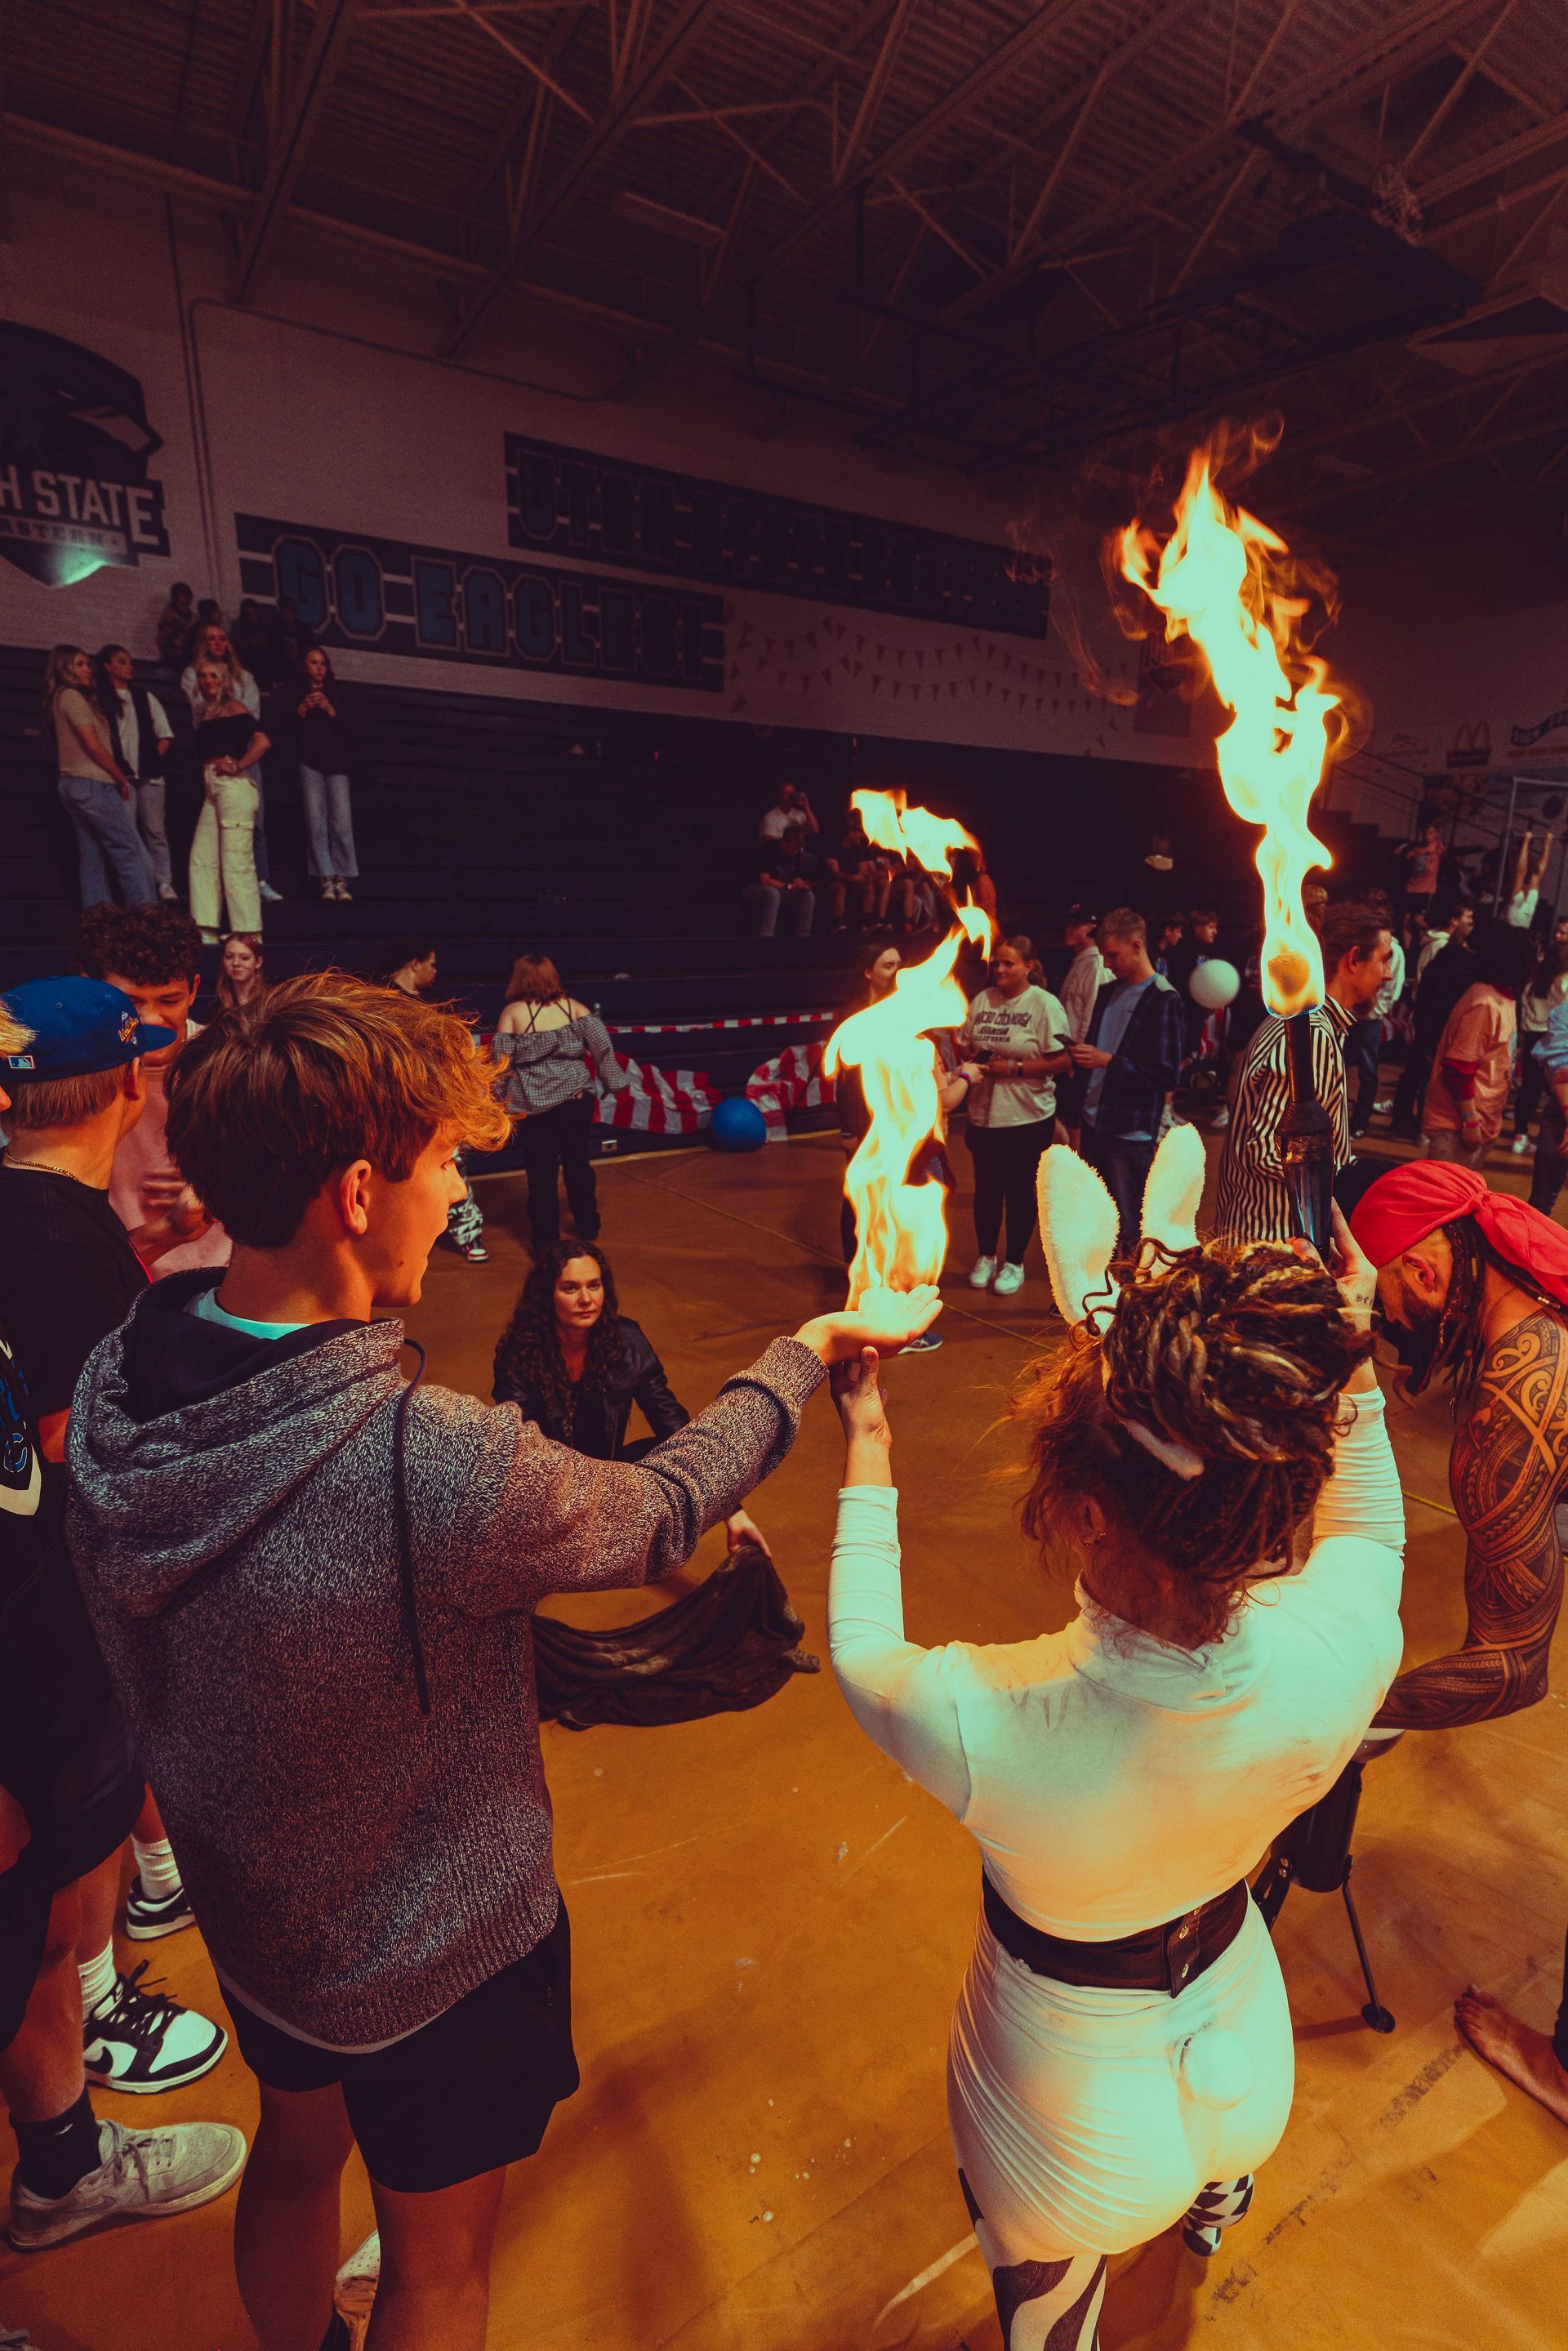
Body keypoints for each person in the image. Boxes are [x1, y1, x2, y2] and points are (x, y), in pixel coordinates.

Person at [63, 968, 938, 2351]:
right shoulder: (428, 1462)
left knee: (297, 2148)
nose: (453, 1199)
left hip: (259, 1915)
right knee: (438, 2266)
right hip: (434, 1956)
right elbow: (658, 1505)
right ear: (358, 1191)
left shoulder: (118, 1377)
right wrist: (802, 1353)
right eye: (439, 1171)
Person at [828, 1149, 1402, 2351]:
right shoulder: (1347, 1647)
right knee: (1215, 2166)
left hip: (1070, 2108)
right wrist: (1345, 1357)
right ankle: (1213, 2207)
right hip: (1251, 2032)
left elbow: (859, 1645)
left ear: (1088, 1514)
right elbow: (1367, 1523)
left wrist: (866, 1426)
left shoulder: (984, 1719)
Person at [0, 978, 244, 2242]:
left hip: (35, 1649)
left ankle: (61, 2163)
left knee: (45, 1933)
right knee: (53, 1905)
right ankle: (95, 2028)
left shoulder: (40, 1221)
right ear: (132, 1079)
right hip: (44, 1661)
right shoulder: (61, 1240)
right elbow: (79, 1456)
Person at [1349, 1161, 1568, 2130]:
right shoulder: (1541, 1302)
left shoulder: (1511, 1409)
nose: (1392, 1330)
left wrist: (1368, 1713)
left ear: (1431, 1274)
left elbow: (1515, 1666)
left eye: (1388, 1304)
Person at [494, 1242, 767, 1548]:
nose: (586, 1299)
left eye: (594, 1286)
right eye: (570, 1288)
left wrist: (734, 1514)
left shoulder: (626, 1342)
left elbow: (673, 1425)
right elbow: (522, 1450)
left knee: (669, 1452)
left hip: (607, 1477)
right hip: (547, 1489)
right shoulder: (519, 1355)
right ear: (547, 1295)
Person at [1214, 901, 1393, 1244]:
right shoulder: (1312, 1034)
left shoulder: (1313, 1026)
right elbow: (1267, 1149)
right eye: (1384, 960)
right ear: (1353, 959)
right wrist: (1354, 1183)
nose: (1388, 974)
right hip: (1274, 1246)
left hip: (1272, 1241)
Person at [77, 905, 229, 1284]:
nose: (151, 1021)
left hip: (224, 1281)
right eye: (132, 1003)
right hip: (119, 1278)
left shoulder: (231, 1064)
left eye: (168, 1000)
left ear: (194, 988)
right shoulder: (69, 1075)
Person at [836, 944, 964, 1350]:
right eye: (887, 965)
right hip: (878, 1139)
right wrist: (849, 1131)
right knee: (870, 1216)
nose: (896, 972)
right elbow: (847, 1084)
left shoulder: (912, 1023)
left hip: (911, 1141)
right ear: (868, 971)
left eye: (898, 964)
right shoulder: (859, 1021)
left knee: (905, 1222)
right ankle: (883, 1314)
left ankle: (891, 1316)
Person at [959, 938, 1071, 1296]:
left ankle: (1015, 1262)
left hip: (1027, 1116)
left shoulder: (1043, 1004)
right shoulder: (983, 1000)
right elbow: (967, 1043)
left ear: (1029, 966)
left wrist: (1014, 1066)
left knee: (1021, 1191)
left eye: (1009, 963)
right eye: (997, 964)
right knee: (986, 1191)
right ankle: (986, 1256)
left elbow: (1063, 1059)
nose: (1001, 970)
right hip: (983, 1114)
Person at [494, 956, 629, 1253]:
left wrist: (497, 1102)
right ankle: (588, 1225)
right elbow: (603, 1052)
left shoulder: (513, 1013)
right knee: (578, 1163)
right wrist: (617, 1085)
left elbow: (500, 1064)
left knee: (541, 1174)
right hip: (575, 1101)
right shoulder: (575, 1009)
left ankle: (545, 1241)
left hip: (535, 1106)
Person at [1069, 909, 1186, 1252]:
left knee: (1127, 1223)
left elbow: (1166, 1074)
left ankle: (1127, 1299)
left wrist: (1108, 1061)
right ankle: (1093, 1294)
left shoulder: (1164, 999)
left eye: (1113, 955)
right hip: (1095, 1120)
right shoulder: (1108, 992)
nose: (1106, 964)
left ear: (1137, 946)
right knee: (1094, 1218)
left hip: (1130, 1131)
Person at [390, 946, 488, 1265]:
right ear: (414, 963)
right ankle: (403, 1242)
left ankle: (469, 1235)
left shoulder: (433, 1004)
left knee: (450, 1166)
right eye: (431, 964)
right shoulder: (381, 1001)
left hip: (434, 1102)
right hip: (393, 1104)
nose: (436, 971)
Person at [43, 645, 154, 912]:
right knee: (127, 851)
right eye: (80, 664)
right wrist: (121, 777)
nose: (87, 669)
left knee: (92, 856)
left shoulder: (62, 698)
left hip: (73, 785)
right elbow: (93, 745)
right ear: (65, 668)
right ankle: (147, 918)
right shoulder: (71, 696)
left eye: (87, 664)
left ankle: (97, 922)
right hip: (93, 784)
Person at [1422, 917, 1538, 1168]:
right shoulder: (1484, 1002)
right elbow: (1458, 1068)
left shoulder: (1503, 996)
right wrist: (1470, 1119)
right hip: (1458, 1124)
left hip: (1483, 1119)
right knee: (1447, 1200)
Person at [181, 622, 278, 903]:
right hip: (212, 760)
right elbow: (199, 707)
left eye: (222, 638)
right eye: (211, 638)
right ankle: (215, 906)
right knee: (207, 848)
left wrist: (236, 757)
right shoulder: (193, 674)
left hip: (240, 750)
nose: (218, 643)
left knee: (253, 822)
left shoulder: (243, 676)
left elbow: (250, 717)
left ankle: (260, 880)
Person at [188, 658, 270, 945]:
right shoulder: (203, 712)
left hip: (234, 787)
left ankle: (249, 932)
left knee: (237, 860)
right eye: (202, 676)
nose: (207, 680)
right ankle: (206, 928)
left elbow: (263, 742)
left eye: (213, 675)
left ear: (222, 680)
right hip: (213, 786)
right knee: (202, 858)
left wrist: (238, 764)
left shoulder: (235, 707)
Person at [97, 645, 177, 905]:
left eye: (130, 662)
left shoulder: (144, 697)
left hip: (150, 777)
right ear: (108, 666)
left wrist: (150, 759)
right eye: (122, 662)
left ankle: (163, 882)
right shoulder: (100, 698)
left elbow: (164, 734)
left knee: (156, 831)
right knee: (128, 833)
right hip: (120, 776)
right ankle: (135, 885)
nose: (129, 666)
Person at [1392, 902, 1477, 1137]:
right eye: (1468, 918)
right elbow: (1434, 994)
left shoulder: (1441, 956)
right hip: (1434, 1025)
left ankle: (1404, 1119)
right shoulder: (1447, 960)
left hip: (1426, 1020)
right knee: (1424, 1075)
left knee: (1416, 1072)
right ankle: (1415, 1123)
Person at [293, 649, 359, 903]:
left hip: (337, 765)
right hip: (309, 763)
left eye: (323, 663)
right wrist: (302, 708)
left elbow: (352, 731)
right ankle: (326, 877)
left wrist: (330, 708)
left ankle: (342, 876)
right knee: (316, 822)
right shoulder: (296, 692)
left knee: (341, 823)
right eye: (313, 663)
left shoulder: (339, 693)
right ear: (305, 666)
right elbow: (286, 729)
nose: (319, 668)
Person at [1511, 917, 1568, 1155]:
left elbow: (1523, 1004)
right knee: (1551, 1090)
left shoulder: (1536, 978)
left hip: (1533, 1033)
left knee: (1530, 1088)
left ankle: (1519, 1133)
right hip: (1552, 1039)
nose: (1559, 936)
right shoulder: (1564, 983)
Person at [1346, 908, 1405, 1137]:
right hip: (1349, 1014)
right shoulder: (1358, 945)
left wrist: (1374, 1010)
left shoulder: (1395, 950)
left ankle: (1360, 1123)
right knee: (1337, 1068)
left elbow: (1393, 987)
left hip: (1370, 1020)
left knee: (1367, 1072)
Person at [744, 829, 817, 938]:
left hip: (782, 890)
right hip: (755, 888)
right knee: (773, 894)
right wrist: (789, 887)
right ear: (784, 843)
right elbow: (765, 881)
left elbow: (795, 877)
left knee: (808, 896)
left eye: (797, 849)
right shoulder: (769, 849)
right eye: (793, 849)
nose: (795, 852)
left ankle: (803, 936)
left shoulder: (797, 854)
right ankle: (766, 936)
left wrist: (801, 884)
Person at [822, 811, 877, 933]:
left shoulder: (857, 848)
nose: (862, 835)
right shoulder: (834, 846)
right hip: (827, 883)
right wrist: (853, 878)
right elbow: (834, 873)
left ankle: (866, 922)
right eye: (859, 832)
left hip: (850, 881)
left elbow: (862, 867)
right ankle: (836, 924)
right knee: (840, 887)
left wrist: (866, 876)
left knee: (869, 884)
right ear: (850, 832)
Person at [1396, 819, 1444, 921]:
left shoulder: (1438, 847)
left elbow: (1453, 851)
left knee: (1418, 920)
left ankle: (1429, 935)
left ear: (1436, 834)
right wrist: (1400, 852)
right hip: (1412, 887)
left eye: (1430, 833)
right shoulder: (1416, 849)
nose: (1427, 836)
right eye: (1425, 834)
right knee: (1406, 919)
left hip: (1426, 889)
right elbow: (1406, 855)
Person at [1503, 828, 1552, 929]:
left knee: (1533, 875)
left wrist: (1526, 841)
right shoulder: (1528, 898)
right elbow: (1531, 872)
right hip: (1519, 931)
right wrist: (1548, 844)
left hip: (1516, 934)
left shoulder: (1519, 897)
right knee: (1535, 875)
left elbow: (1522, 873)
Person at [217, 933, 265, 1013]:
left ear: (258, 962)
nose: (236, 963)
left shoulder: (269, 1003)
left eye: (244, 958)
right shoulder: (217, 1007)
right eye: (229, 957)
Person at [758, 781, 818, 845]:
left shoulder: (798, 814)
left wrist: (807, 808)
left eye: (793, 793)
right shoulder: (771, 816)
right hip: (779, 854)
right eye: (787, 793)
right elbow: (769, 843)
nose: (791, 796)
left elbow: (815, 830)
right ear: (779, 797)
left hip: (796, 853)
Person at [230, 598, 271, 689]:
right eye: (250, 614)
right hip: (245, 662)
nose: (253, 617)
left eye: (255, 614)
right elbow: (235, 646)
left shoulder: (262, 625)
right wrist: (249, 643)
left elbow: (267, 642)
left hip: (261, 662)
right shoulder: (238, 625)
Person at [154, 583, 196, 671]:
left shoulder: (194, 618)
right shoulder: (169, 618)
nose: (187, 595)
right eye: (183, 592)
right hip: (174, 662)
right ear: (175, 595)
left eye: (188, 592)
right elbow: (165, 642)